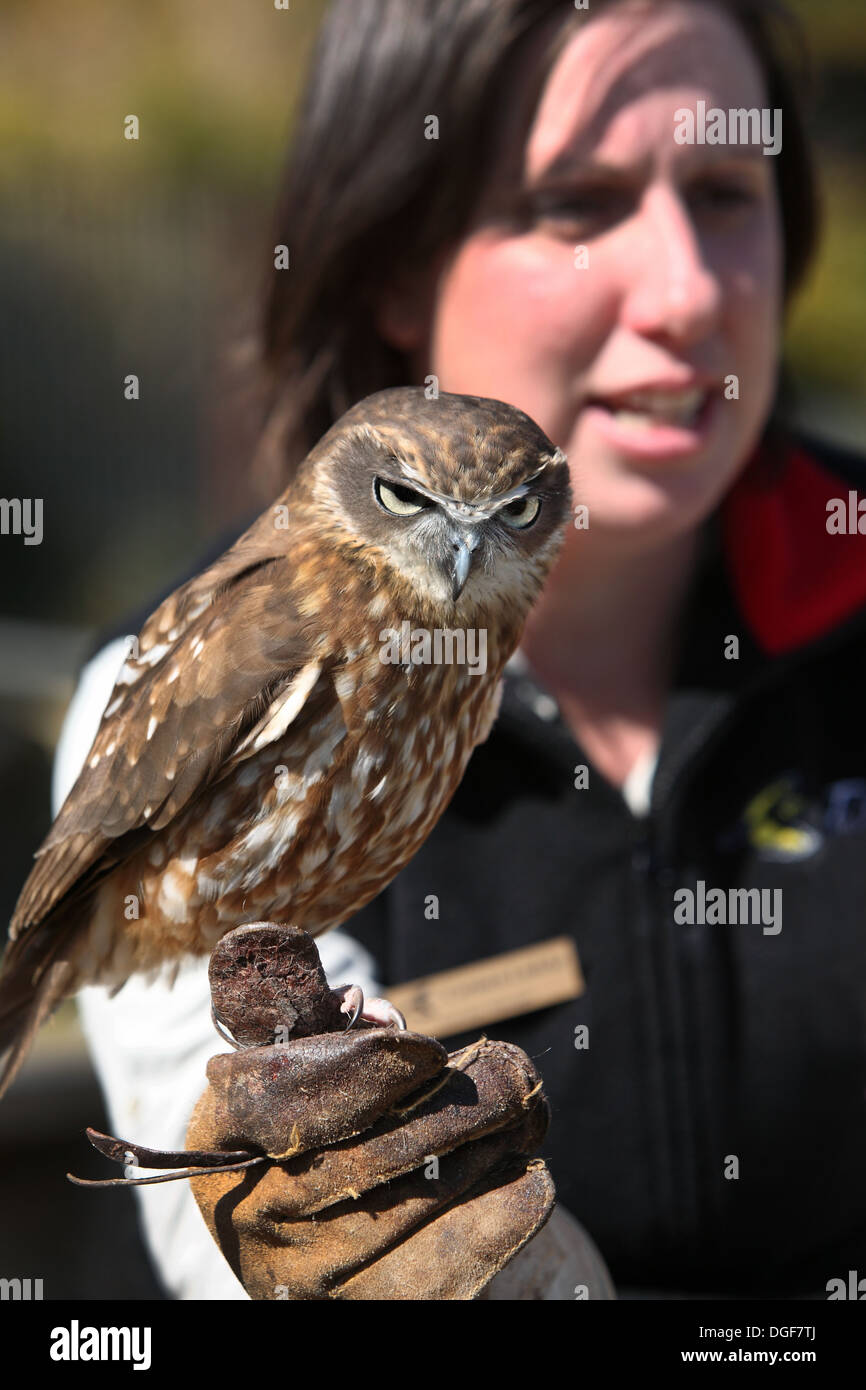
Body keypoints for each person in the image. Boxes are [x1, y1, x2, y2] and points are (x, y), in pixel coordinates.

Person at [53, 0, 866, 1298]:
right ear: (392, 263)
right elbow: (227, 1221)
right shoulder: (193, 669)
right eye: (576, 201)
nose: (684, 288)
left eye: (722, 191)